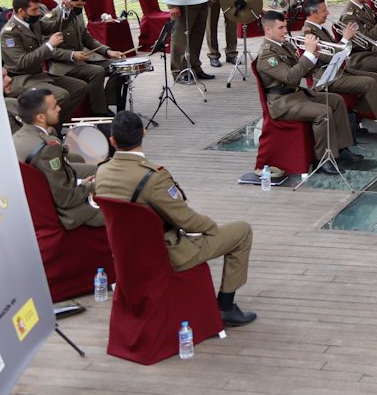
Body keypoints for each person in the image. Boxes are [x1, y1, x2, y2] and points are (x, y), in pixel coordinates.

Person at [95, 111, 257, 327]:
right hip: (165, 253)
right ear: (144, 134)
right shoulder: (153, 177)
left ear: (112, 140)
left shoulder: (102, 172)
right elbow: (186, 220)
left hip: (126, 253)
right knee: (241, 231)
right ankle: (226, 307)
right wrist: (211, 228)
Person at [254, 11, 359, 169]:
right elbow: (290, 77)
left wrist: (314, 56)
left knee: (336, 101)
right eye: (281, 28)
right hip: (282, 103)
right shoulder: (267, 55)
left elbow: (303, 71)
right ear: (268, 30)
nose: (285, 31)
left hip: (296, 95)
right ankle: (323, 159)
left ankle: (342, 148)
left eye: (285, 27)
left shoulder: (286, 45)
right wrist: (308, 55)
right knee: (323, 112)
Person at [299, 0, 377, 142]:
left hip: (336, 71)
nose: (328, 13)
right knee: (369, 83)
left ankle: (354, 113)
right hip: (325, 78)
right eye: (324, 10)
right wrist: (345, 39)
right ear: (313, 13)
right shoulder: (309, 34)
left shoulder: (318, 29)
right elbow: (330, 58)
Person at [13, 88, 104, 229]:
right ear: (41, 118)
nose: (59, 108)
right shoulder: (47, 149)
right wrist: (89, 186)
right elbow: (65, 198)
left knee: (86, 165)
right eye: (54, 107)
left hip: (37, 202)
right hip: (65, 213)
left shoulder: (16, 138)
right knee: (119, 211)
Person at [1, 0, 90, 124]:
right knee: (61, 95)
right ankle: (40, 128)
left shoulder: (33, 22)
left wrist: (64, 10)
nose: (38, 13)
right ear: (21, 11)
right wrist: (49, 45)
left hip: (38, 75)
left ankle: (56, 125)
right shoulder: (9, 34)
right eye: (34, 10)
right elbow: (22, 62)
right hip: (21, 79)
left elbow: (54, 27)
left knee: (80, 87)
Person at [39, 0, 128, 115]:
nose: (80, 10)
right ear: (66, 1)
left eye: (82, 7)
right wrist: (72, 55)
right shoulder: (52, 18)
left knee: (119, 66)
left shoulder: (77, 14)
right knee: (97, 71)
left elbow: (88, 39)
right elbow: (48, 49)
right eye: (77, 6)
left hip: (83, 60)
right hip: (64, 65)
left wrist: (108, 52)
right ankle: (99, 112)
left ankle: (107, 102)